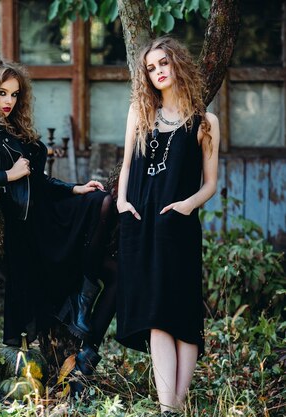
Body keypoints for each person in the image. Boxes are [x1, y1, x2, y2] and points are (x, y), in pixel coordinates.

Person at [0, 58, 117, 395]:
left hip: (47, 208)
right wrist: (7, 176)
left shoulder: (14, 127)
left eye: (14, 94)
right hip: (30, 224)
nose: (8, 101)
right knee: (103, 209)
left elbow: (39, 182)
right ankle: (82, 301)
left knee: (102, 202)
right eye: (2, 92)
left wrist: (73, 188)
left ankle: (84, 304)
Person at [116, 37, 220, 415]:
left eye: (163, 63)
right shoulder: (139, 114)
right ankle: (168, 408)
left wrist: (186, 206)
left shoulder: (206, 123)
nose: (158, 71)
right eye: (151, 67)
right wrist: (121, 202)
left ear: (177, 65)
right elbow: (127, 166)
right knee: (156, 312)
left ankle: (176, 404)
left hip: (179, 226)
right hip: (141, 223)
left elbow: (210, 183)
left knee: (184, 313)